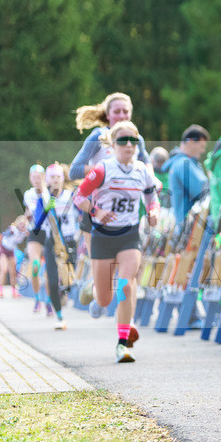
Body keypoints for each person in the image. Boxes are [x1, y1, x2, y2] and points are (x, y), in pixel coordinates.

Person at [74, 120, 160, 363]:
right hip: (103, 236)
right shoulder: (102, 169)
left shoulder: (142, 170)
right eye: (123, 141)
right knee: (105, 298)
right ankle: (93, 290)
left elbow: (152, 198)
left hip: (129, 235)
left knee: (125, 285)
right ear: (112, 145)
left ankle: (123, 345)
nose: (129, 146)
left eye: (133, 141)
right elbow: (79, 196)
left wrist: (153, 213)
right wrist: (96, 211)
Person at [70, 92, 150, 305]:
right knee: (106, 268)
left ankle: (125, 325)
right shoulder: (97, 136)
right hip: (96, 211)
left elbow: (148, 170)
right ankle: (97, 290)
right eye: (117, 111)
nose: (122, 115)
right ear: (108, 114)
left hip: (127, 212)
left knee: (127, 268)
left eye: (126, 111)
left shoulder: (136, 138)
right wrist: (105, 171)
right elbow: (74, 170)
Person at [35, 163, 80, 330]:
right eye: (52, 177)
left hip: (69, 241)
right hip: (51, 242)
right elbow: (37, 225)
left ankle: (64, 292)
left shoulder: (72, 196)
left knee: (70, 278)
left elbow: (84, 214)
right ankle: (59, 316)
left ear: (62, 179)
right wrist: (47, 208)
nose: (55, 180)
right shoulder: (44, 197)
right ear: (47, 180)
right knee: (52, 281)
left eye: (58, 177)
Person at [162, 124, 210, 224]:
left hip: (184, 226)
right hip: (190, 230)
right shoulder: (184, 164)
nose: (203, 150)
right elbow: (203, 191)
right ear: (191, 141)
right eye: (201, 146)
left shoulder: (178, 162)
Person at [22, 165, 48, 312]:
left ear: (43, 177)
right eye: (33, 177)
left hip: (49, 232)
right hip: (35, 232)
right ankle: (37, 298)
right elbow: (29, 211)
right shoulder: (28, 194)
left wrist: (44, 191)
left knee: (51, 271)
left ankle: (50, 301)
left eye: (39, 177)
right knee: (35, 265)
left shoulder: (50, 193)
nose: (36, 180)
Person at [0, 216, 29, 298]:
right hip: (3, 249)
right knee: (4, 269)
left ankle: (14, 291)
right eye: (21, 224)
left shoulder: (24, 232)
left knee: (13, 272)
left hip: (11, 251)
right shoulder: (12, 230)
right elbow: (0, 236)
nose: (22, 226)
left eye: (24, 225)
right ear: (18, 224)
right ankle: (0, 290)